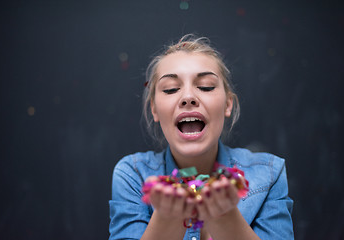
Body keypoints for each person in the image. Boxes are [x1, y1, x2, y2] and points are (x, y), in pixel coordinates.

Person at [109, 34, 294, 240]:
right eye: (171, 89)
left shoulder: (269, 173)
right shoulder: (132, 174)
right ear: (154, 109)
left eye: (206, 86)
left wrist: (225, 218)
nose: (188, 97)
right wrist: (168, 218)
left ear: (227, 104)